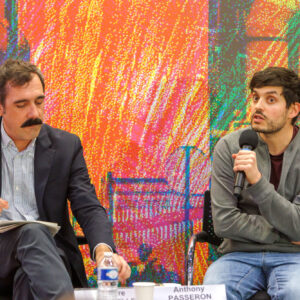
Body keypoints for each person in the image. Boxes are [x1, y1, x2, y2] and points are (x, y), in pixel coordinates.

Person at [0, 59, 131, 300]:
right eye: (22, 105)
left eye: (39, 102)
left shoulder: (65, 146)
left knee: (28, 280)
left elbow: (88, 206)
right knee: (30, 232)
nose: (34, 114)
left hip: (49, 260)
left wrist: (103, 252)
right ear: (1, 107)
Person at [203, 66, 300, 300]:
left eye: (270, 99)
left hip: (294, 257)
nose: (258, 106)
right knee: (214, 290)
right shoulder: (229, 147)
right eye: (255, 98)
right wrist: (284, 233)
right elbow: (224, 223)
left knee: (295, 291)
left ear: (293, 109)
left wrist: (257, 180)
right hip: (239, 254)